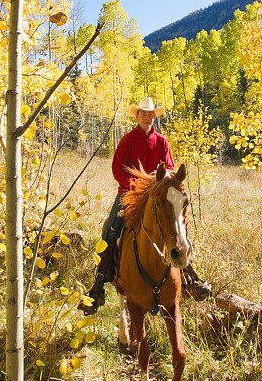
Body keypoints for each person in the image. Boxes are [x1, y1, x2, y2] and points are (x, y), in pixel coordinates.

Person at [79, 96, 211, 315]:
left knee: (176, 226)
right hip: (129, 194)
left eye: (151, 114)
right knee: (111, 230)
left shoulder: (161, 141)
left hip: (158, 195)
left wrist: (161, 182)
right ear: (137, 116)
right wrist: (137, 184)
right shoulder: (127, 140)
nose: (148, 117)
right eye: (144, 113)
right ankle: (99, 284)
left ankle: (188, 277)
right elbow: (117, 169)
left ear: (153, 117)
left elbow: (168, 168)